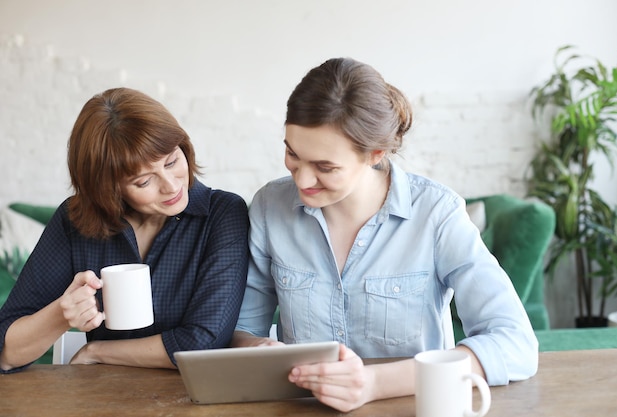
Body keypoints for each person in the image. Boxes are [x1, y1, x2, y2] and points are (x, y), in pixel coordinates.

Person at [232, 58, 538, 412]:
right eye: (293, 154)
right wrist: (255, 349)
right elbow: (241, 329)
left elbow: (515, 344)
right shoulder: (270, 207)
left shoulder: (436, 215)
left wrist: (373, 384)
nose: (301, 180)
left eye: (325, 167)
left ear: (375, 153)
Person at [0, 87, 249, 373]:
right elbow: (6, 354)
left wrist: (98, 351)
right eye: (144, 182)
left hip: (191, 396)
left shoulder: (221, 212)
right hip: (103, 397)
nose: (171, 185)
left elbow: (205, 342)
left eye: (172, 161)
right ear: (108, 188)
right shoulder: (74, 220)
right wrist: (62, 313)